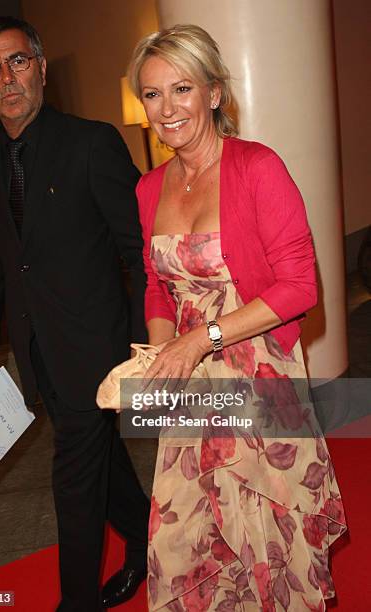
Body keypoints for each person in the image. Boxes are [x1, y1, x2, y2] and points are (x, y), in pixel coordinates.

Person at [127, 24, 347, 611]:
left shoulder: (256, 167)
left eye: (182, 90)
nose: (167, 109)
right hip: (192, 387)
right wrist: (159, 352)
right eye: (152, 94)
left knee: (269, 535)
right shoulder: (149, 188)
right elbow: (157, 286)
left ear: (214, 93)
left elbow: (300, 287)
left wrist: (200, 339)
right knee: (183, 544)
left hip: (260, 373)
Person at [0, 16, 149, 611]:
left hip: (98, 349)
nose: (6, 78)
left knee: (73, 478)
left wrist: (143, 342)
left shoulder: (92, 143)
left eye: (17, 61)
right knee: (103, 462)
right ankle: (149, 537)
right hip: (36, 351)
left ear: (41, 68)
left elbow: (138, 252)